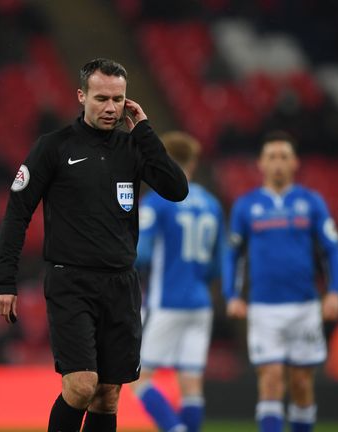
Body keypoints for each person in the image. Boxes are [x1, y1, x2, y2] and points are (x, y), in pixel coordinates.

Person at [0, 58, 188, 432]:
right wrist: (5, 280)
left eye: (118, 99)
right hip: (72, 282)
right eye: (101, 98)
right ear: (81, 96)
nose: (111, 107)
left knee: (108, 393)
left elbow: (177, 189)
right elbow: (17, 212)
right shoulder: (53, 147)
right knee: (81, 386)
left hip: (121, 284)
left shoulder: (132, 147)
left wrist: (144, 129)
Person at [223, 131, 338, 432]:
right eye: (272, 157)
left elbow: (332, 249)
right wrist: (232, 294)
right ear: (261, 164)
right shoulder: (246, 206)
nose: (278, 163)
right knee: (271, 378)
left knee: (302, 383)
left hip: (304, 306)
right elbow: (232, 255)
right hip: (264, 308)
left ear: (295, 163)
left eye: (284, 157)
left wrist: (335, 292)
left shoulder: (311, 202)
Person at [129, 131, 225, 432]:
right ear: (193, 163)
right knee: (191, 383)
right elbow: (217, 265)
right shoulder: (212, 204)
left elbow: (140, 254)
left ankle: (175, 429)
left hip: (166, 302)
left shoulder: (157, 202)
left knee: (137, 378)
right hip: (200, 304)